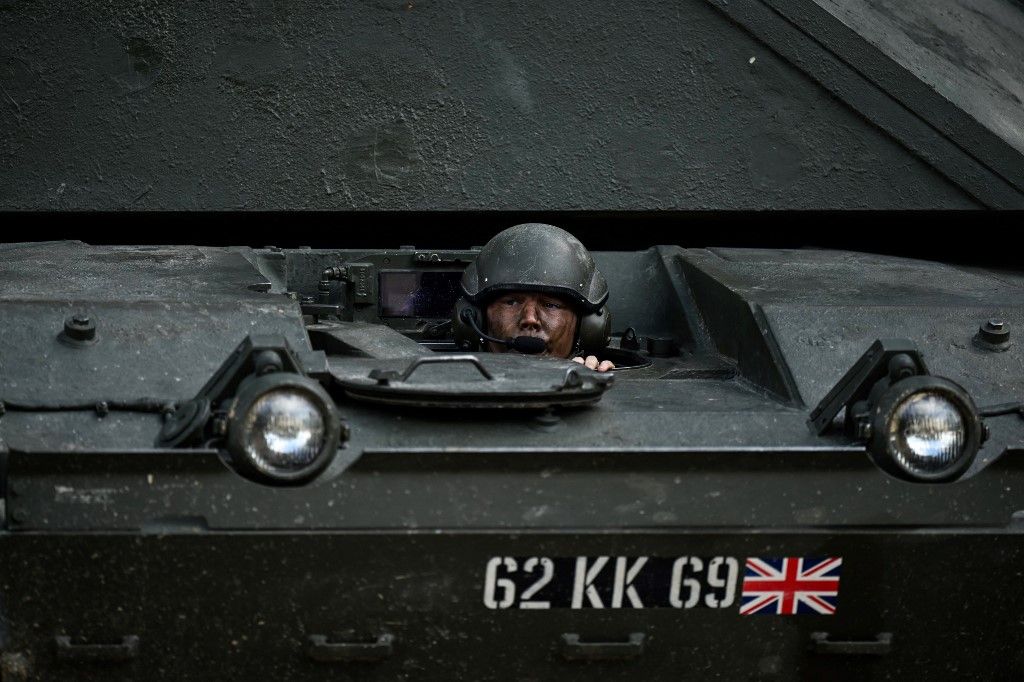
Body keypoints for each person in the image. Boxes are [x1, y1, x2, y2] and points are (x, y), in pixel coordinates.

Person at [454, 223, 615, 372]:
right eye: (512, 302)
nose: (529, 319)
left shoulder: (596, 380)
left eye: (550, 305)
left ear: (584, 327)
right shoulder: (448, 379)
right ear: (479, 317)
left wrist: (591, 379)